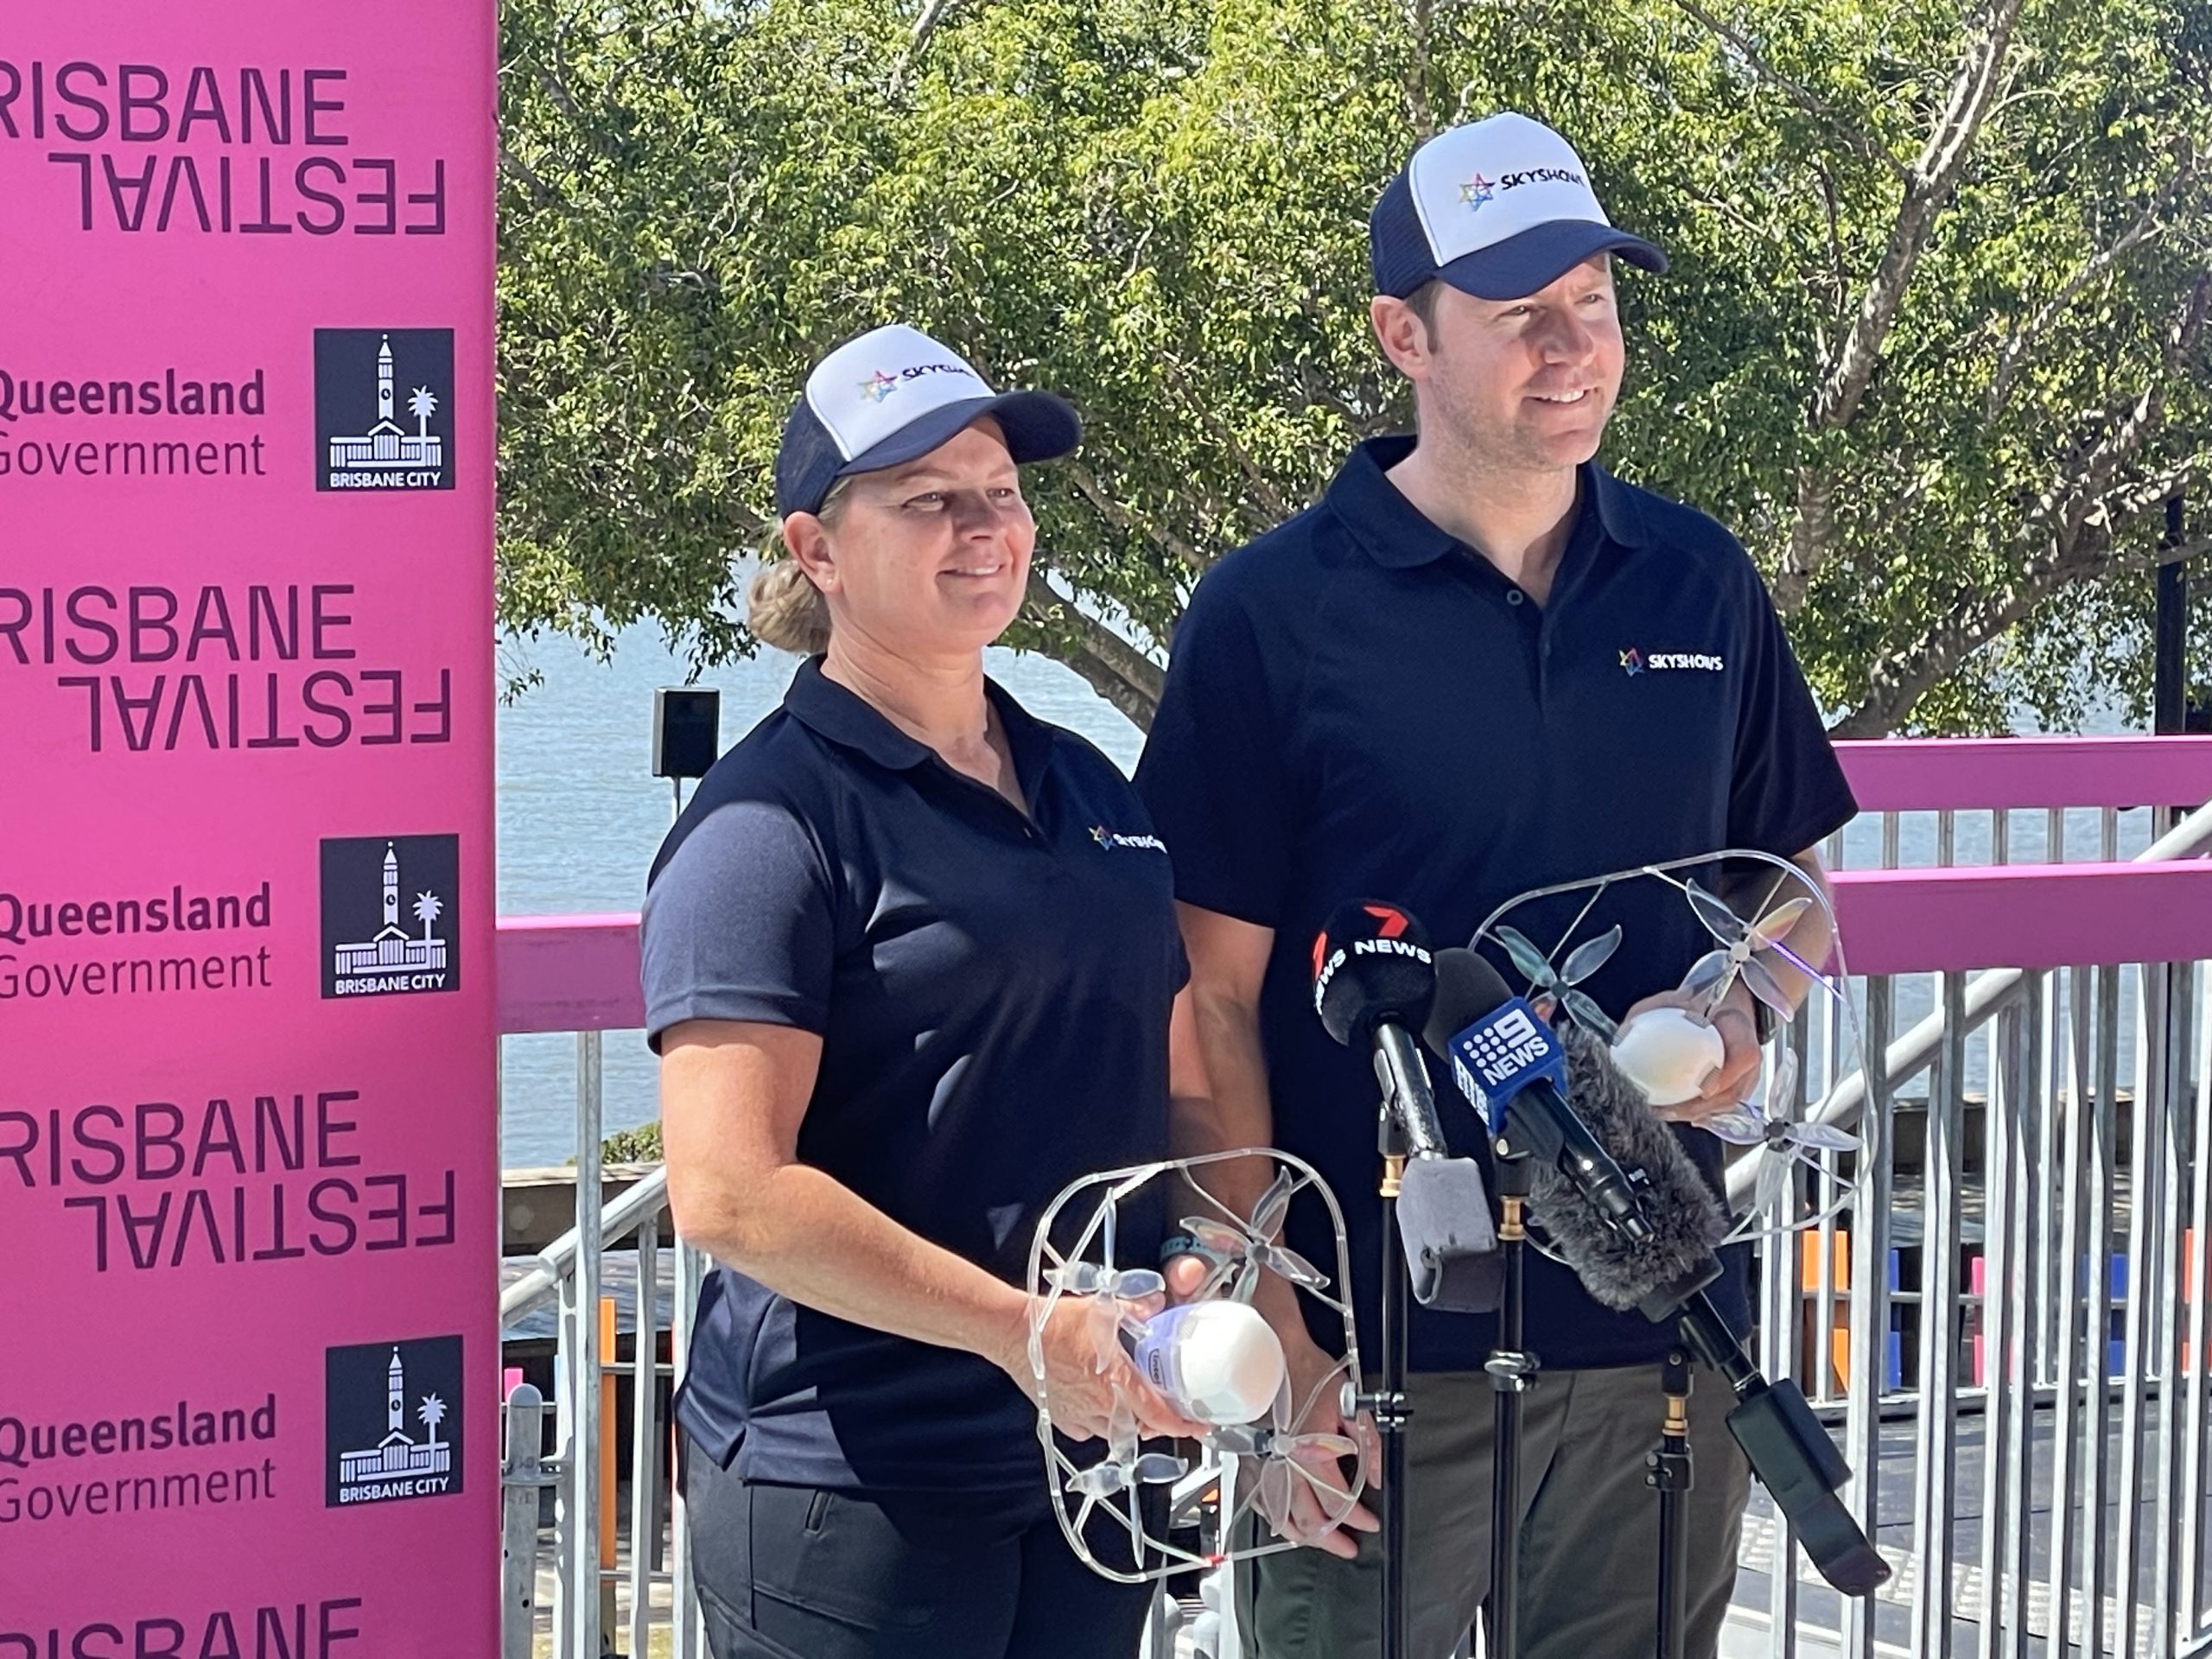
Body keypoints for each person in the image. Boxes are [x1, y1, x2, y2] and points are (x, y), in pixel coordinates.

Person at [1134, 112, 1859, 1659]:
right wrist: (1272, 1335)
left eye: (1593, 303)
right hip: (1369, 1372)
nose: (1571, 348)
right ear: (1404, 334)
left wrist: (1746, 1011)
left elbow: (1800, 893)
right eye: (1520, 314)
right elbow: (1206, 1005)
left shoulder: (1699, 581)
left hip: (1660, 1339)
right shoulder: (1270, 613)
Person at [643, 322, 1205, 1659]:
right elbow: (728, 1189)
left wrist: (1190, 1254)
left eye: (1001, 495)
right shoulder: (763, 826)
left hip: (1086, 1455)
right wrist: (1022, 1332)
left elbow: (1151, 1060)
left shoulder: (1086, 783)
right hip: (850, 1482)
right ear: (815, 548)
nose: (982, 527)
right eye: (928, 500)